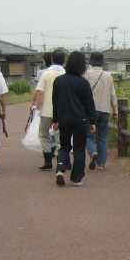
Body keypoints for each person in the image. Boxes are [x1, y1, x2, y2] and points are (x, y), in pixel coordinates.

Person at [52, 51, 96, 187]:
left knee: (64, 146)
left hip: (64, 119)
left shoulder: (59, 81)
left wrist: (55, 120)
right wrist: (92, 122)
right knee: (79, 148)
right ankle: (76, 178)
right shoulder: (83, 83)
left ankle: (60, 169)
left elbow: (55, 101)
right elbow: (89, 104)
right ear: (82, 65)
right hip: (80, 120)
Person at [32, 49, 66, 170]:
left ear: (52, 60)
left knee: (43, 135)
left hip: (47, 111)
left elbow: (40, 92)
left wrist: (37, 107)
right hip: (63, 112)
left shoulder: (46, 74)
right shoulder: (66, 73)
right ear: (64, 60)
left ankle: (47, 162)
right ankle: (61, 161)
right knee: (61, 137)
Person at [84, 52, 117, 170]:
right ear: (102, 61)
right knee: (102, 137)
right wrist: (115, 110)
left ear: (90, 61)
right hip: (104, 110)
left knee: (88, 135)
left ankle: (93, 152)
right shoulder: (108, 76)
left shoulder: (86, 74)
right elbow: (113, 94)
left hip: (89, 110)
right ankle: (101, 164)